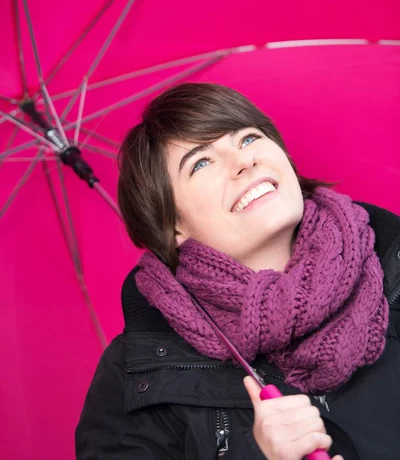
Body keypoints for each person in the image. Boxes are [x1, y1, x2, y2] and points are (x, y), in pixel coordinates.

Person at [75, 83, 400, 460]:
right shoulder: (133, 374)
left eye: (248, 138)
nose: (244, 162)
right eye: (201, 162)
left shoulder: (392, 269)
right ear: (172, 225)